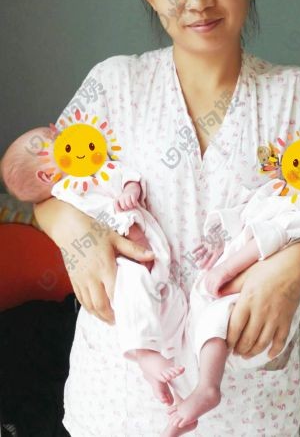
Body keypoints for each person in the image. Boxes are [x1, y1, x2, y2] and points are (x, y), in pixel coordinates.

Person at [23, 0, 300, 435]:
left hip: (246, 394)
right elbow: (43, 188)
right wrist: (75, 236)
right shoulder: (115, 85)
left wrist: (293, 271)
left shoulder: (296, 96)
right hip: (122, 393)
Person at [166, 153, 300, 431]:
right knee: (188, 334)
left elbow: (273, 233)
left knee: (213, 322)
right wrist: (218, 241)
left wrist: (226, 269)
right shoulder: (286, 194)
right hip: (227, 291)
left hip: (249, 303)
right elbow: (246, 215)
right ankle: (184, 408)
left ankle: (208, 388)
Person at [0, 126, 188, 406]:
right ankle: (144, 354)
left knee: (175, 314)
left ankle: (180, 387)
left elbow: (124, 175)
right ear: (48, 175)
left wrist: (130, 190)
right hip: (122, 262)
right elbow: (61, 216)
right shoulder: (67, 191)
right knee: (134, 292)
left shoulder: (96, 168)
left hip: (152, 249)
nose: (60, 131)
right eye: (55, 139)